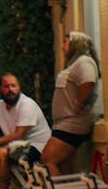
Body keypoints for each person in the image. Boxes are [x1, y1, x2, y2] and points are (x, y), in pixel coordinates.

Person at [42, 31, 101, 177]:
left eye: (65, 42)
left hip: (72, 123)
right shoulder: (75, 64)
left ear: (76, 44)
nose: (62, 47)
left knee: (48, 159)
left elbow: (88, 81)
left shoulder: (84, 61)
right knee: (63, 165)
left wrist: (78, 102)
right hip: (64, 123)